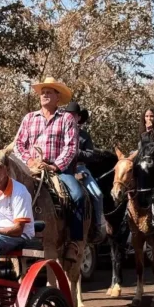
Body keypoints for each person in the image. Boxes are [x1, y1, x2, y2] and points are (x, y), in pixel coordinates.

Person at [13, 77, 84, 242]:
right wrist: (30, 161)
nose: (44, 95)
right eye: (42, 92)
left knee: (77, 195)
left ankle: (75, 241)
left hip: (57, 171)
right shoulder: (29, 118)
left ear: (57, 97)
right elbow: (18, 145)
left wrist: (55, 166)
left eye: (49, 92)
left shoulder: (66, 118)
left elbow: (71, 147)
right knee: (10, 191)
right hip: (31, 169)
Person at [66, 100, 105, 239]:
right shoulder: (59, 132)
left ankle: (97, 226)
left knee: (98, 194)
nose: (70, 117)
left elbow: (90, 155)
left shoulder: (84, 136)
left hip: (80, 167)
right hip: (62, 167)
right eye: (68, 114)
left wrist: (75, 152)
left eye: (73, 115)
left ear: (79, 117)